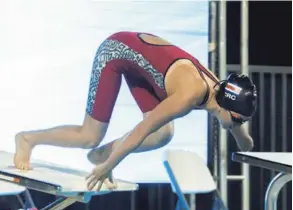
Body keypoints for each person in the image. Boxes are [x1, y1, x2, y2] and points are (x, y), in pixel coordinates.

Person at [14, 31, 257, 190]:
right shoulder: (189, 94)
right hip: (116, 53)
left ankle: (103, 154)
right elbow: (141, 130)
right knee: (89, 136)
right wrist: (109, 166)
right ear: (228, 108)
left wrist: (240, 134)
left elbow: (245, 143)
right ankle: (27, 139)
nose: (238, 125)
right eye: (238, 120)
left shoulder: (221, 95)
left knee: (163, 134)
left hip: (147, 72)